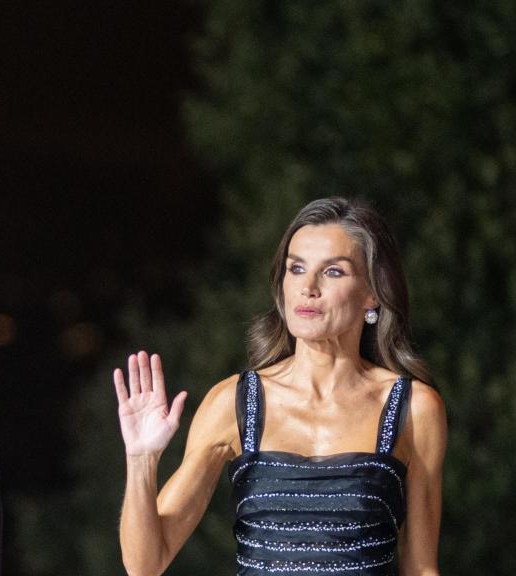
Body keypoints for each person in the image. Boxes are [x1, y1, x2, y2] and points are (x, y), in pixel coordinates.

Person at [113, 197, 446, 575]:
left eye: (333, 272)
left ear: (372, 292)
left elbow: (421, 568)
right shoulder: (234, 403)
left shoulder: (414, 408)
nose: (308, 287)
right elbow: (145, 564)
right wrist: (141, 460)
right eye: (296, 268)